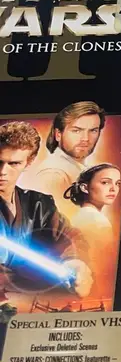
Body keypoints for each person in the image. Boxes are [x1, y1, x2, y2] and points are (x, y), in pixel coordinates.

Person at [0, 121, 91, 300]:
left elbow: (70, 236)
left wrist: (74, 262)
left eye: (14, 163)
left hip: (27, 299)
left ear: (28, 163)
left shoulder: (38, 204)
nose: (3, 171)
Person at [24, 101, 106, 218]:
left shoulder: (80, 169)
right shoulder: (53, 173)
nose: (85, 138)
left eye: (93, 130)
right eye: (76, 130)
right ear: (58, 134)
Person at [64, 163, 121, 299]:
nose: (113, 189)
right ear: (85, 187)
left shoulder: (80, 216)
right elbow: (103, 263)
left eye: (117, 183)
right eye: (105, 182)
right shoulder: (96, 220)